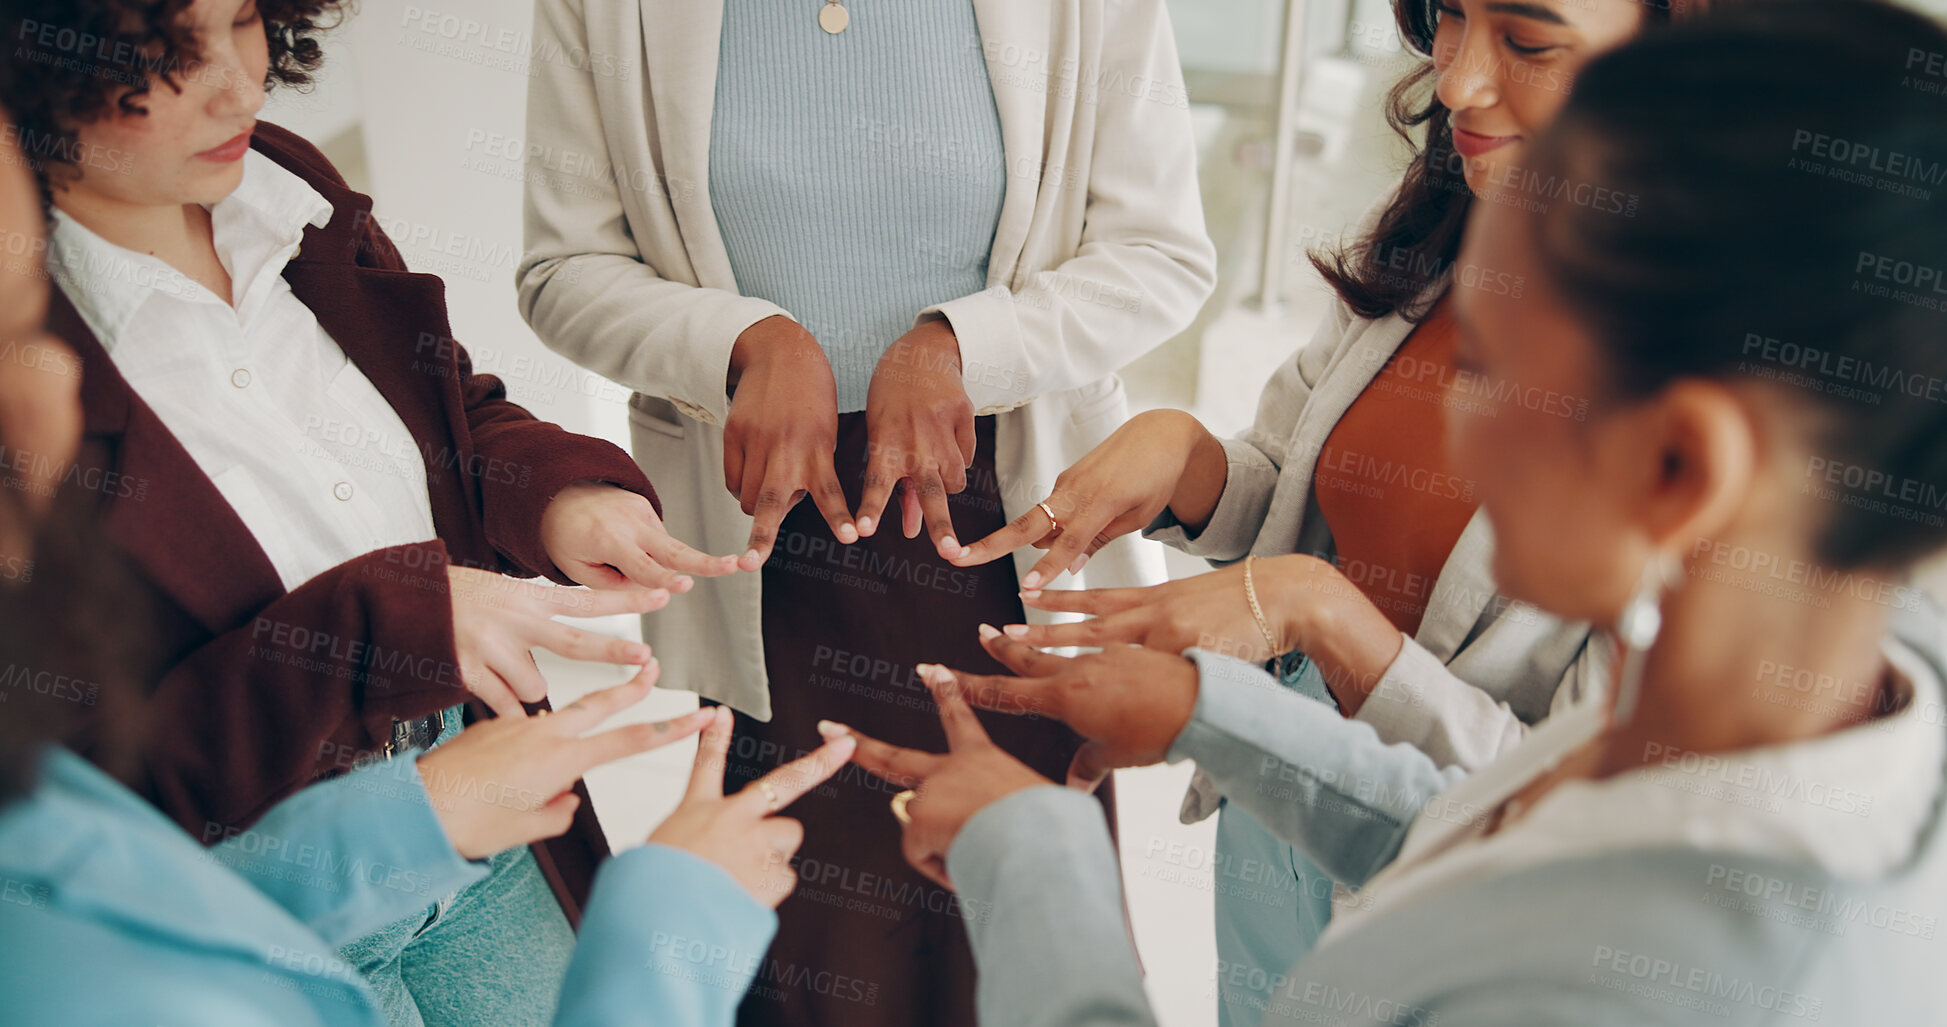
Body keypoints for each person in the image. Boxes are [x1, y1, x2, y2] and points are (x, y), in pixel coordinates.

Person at [839, 0, 1947, 1021]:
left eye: (1497, 373)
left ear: (1677, 467)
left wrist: (1034, 857)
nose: (1448, 427)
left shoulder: (1648, 984)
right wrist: (1209, 712)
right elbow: (1485, 844)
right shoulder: (1790, 693)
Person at [0, 101, 855, 1027]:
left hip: (462, 785)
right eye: (16, 344)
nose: (227, 83)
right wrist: (675, 911)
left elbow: (440, 406)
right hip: (265, 833)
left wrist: (555, 495)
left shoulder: (281, 188)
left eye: (242, 20)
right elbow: (114, 789)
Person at [948, 0, 1681, 1015]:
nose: (1458, 82)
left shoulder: (1727, 410)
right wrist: (1189, 462)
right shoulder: (1452, 233)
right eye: (1449, 17)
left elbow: (1575, 811)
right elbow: (1301, 485)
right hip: (1273, 813)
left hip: (1457, 896)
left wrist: (1313, 608)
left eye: (1528, 41)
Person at [517, 1, 1216, 1022]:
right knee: (810, 944)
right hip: (768, 545)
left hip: (1000, 537)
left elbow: (1161, 254)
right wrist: (745, 339)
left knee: (1017, 920)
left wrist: (958, 346)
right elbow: (562, 270)